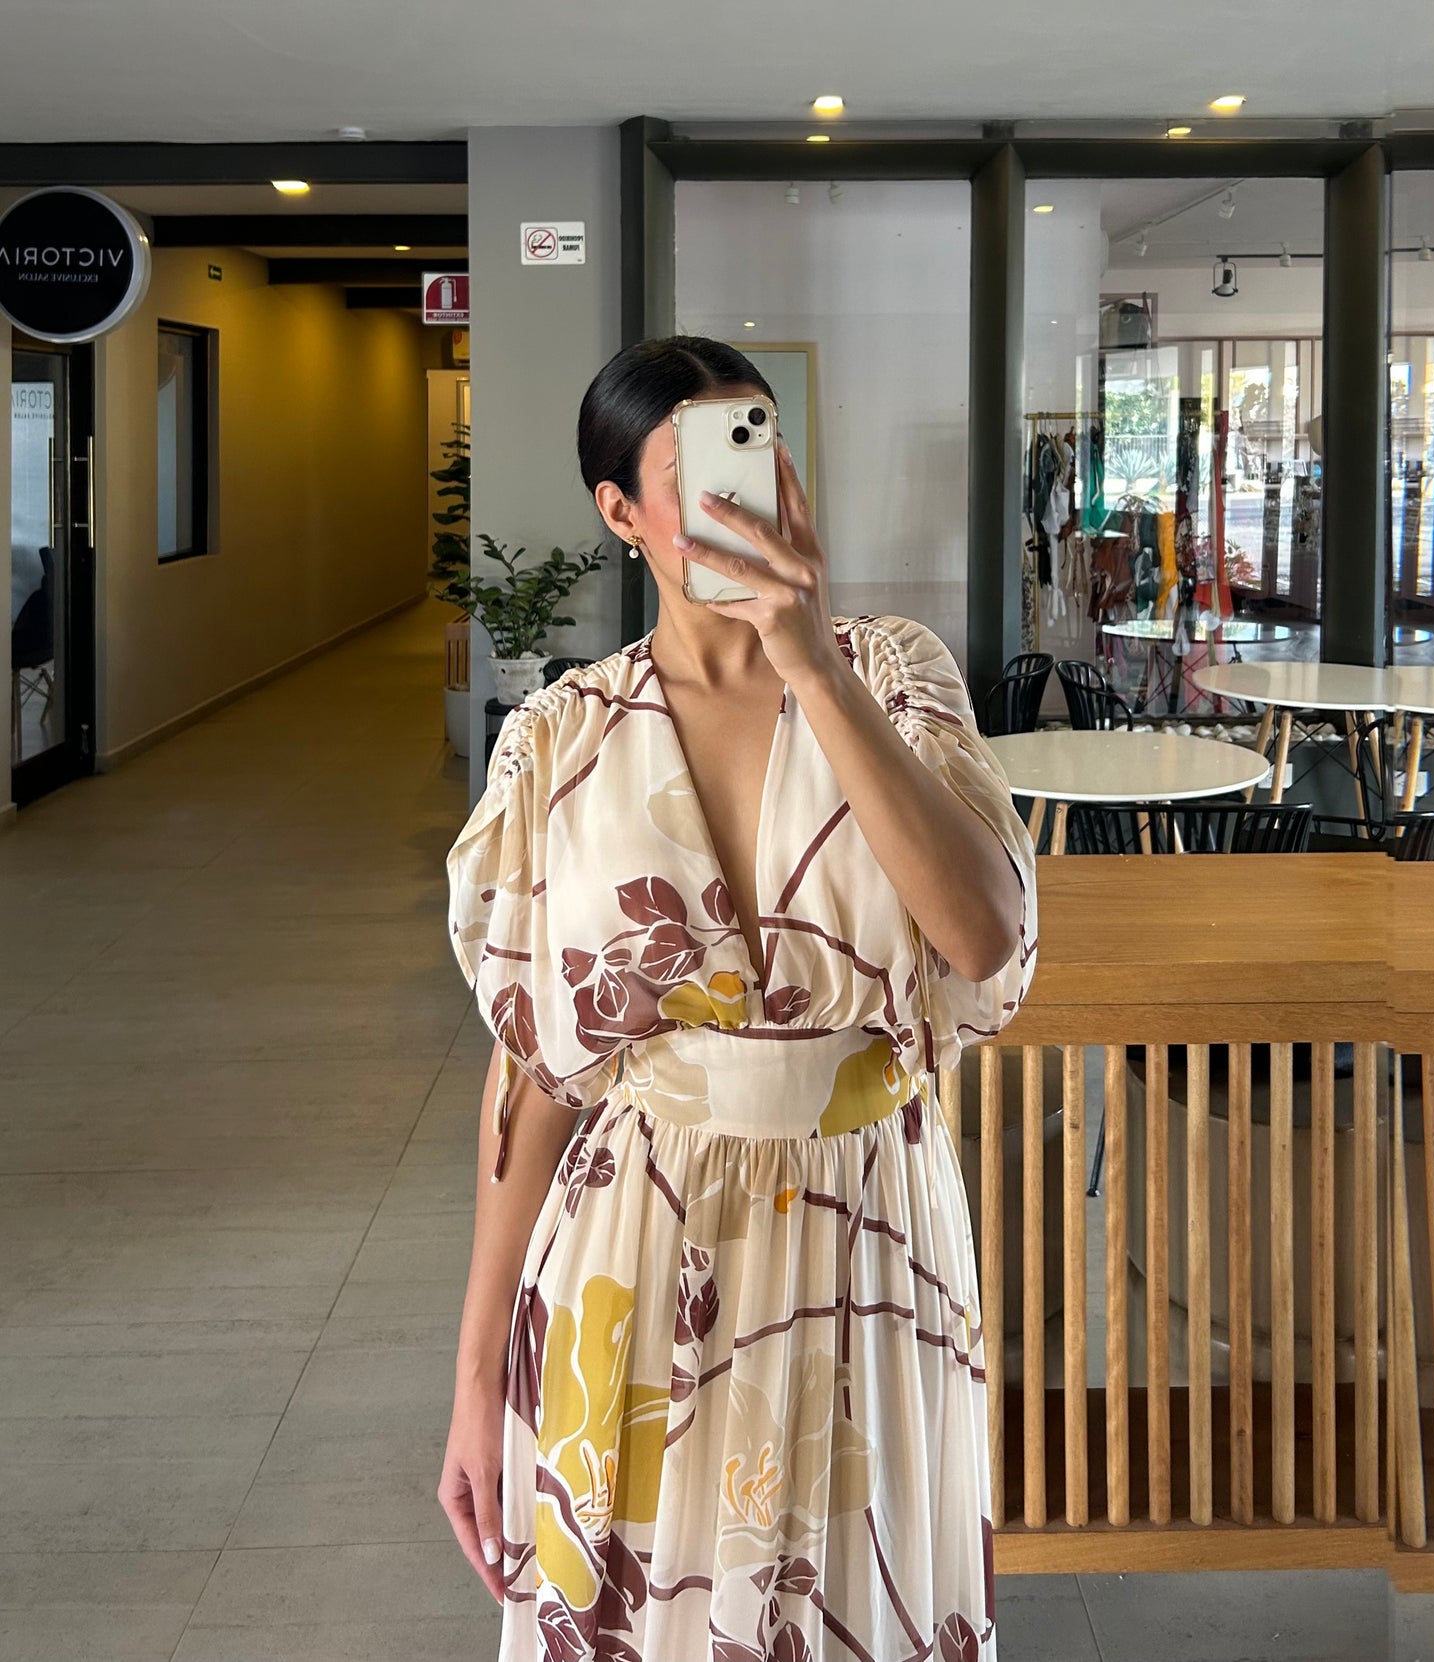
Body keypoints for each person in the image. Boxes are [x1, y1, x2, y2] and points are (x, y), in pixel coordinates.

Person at [439, 336, 1038, 1662]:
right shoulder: (560, 737)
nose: (742, 498)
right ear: (620, 512)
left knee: (863, 1596)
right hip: (634, 1242)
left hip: (869, 1226)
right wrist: (476, 1377)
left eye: (759, 454)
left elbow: (981, 936)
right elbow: (535, 1069)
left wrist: (811, 665)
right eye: (699, 472)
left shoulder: (893, 675)